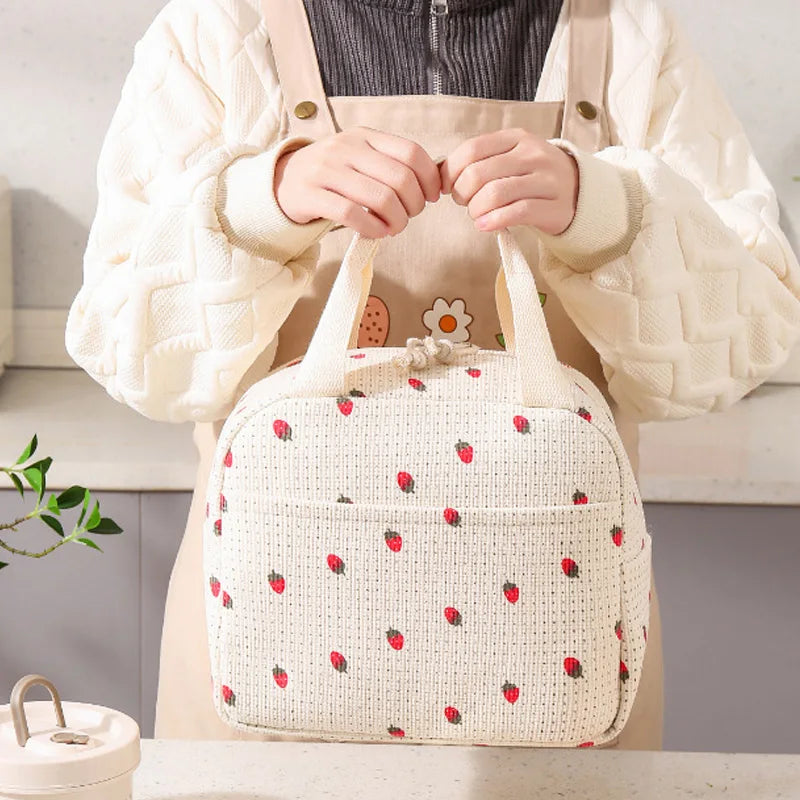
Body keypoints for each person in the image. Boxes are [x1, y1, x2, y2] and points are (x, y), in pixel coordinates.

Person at [64, 0, 800, 750]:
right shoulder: (216, 30)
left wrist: (605, 210)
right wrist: (260, 204)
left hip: (560, 664)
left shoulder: (629, 34)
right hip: (265, 653)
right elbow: (131, 352)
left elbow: (746, 340)